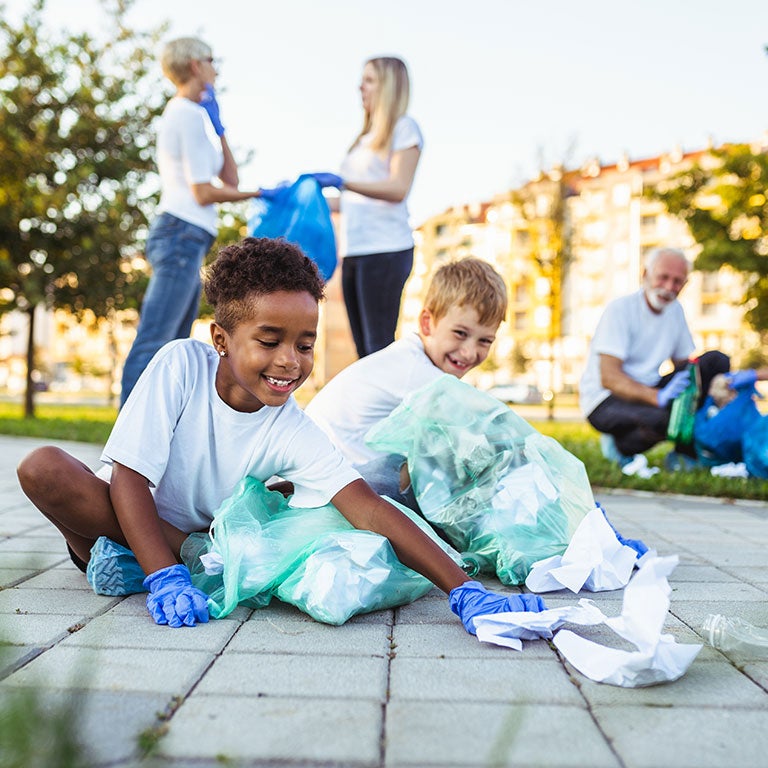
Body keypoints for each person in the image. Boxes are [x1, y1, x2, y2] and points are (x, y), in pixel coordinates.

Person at [16, 238, 545, 633]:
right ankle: (118, 557)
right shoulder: (181, 365)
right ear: (220, 338)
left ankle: (143, 563)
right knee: (41, 466)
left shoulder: (291, 426)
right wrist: (164, 576)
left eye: (306, 344)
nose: (289, 361)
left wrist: (464, 590)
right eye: (269, 340)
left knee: (269, 528)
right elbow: (129, 479)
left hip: (194, 547)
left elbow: (371, 510)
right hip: (122, 516)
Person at [119, 37, 264, 407]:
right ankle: (122, 443)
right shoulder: (182, 113)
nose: (217, 67)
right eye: (211, 60)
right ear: (196, 66)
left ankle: (157, 434)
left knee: (174, 344)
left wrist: (220, 128)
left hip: (189, 237)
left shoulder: (197, 117)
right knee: (156, 339)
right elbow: (203, 192)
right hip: (179, 233)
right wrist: (260, 192)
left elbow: (229, 179)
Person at [305, 257, 507, 509]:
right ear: (427, 323)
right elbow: (485, 432)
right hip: (327, 489)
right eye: (460, 334)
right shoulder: (417, 372)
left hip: (331, 478)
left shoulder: (408, 358)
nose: (469, 352)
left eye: (484, 341)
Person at [309, 56, 423, 358]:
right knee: (363, 349)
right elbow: (351, 202)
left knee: (378, 347)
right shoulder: (363, 139)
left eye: (370, 80)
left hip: (385, 249)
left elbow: (398, 188)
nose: (361, 86)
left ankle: (391, 407)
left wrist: (343, 183)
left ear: (388, 87)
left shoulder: (404, 128)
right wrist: (307, 196)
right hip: (355, 251)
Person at [579, 247, 729, 467]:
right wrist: (658, 398)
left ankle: (685, 454)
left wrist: (719, 388)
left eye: (678, 281)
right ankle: (620, 445)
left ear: (685, 285)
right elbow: (609, 378)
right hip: (606, 399)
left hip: (649, 390)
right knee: (664, 420)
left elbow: (686, 365)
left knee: (715, 361)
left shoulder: (675, 311)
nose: (669, 287)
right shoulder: (620, 309)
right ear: (645, 275)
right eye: (663, 277)